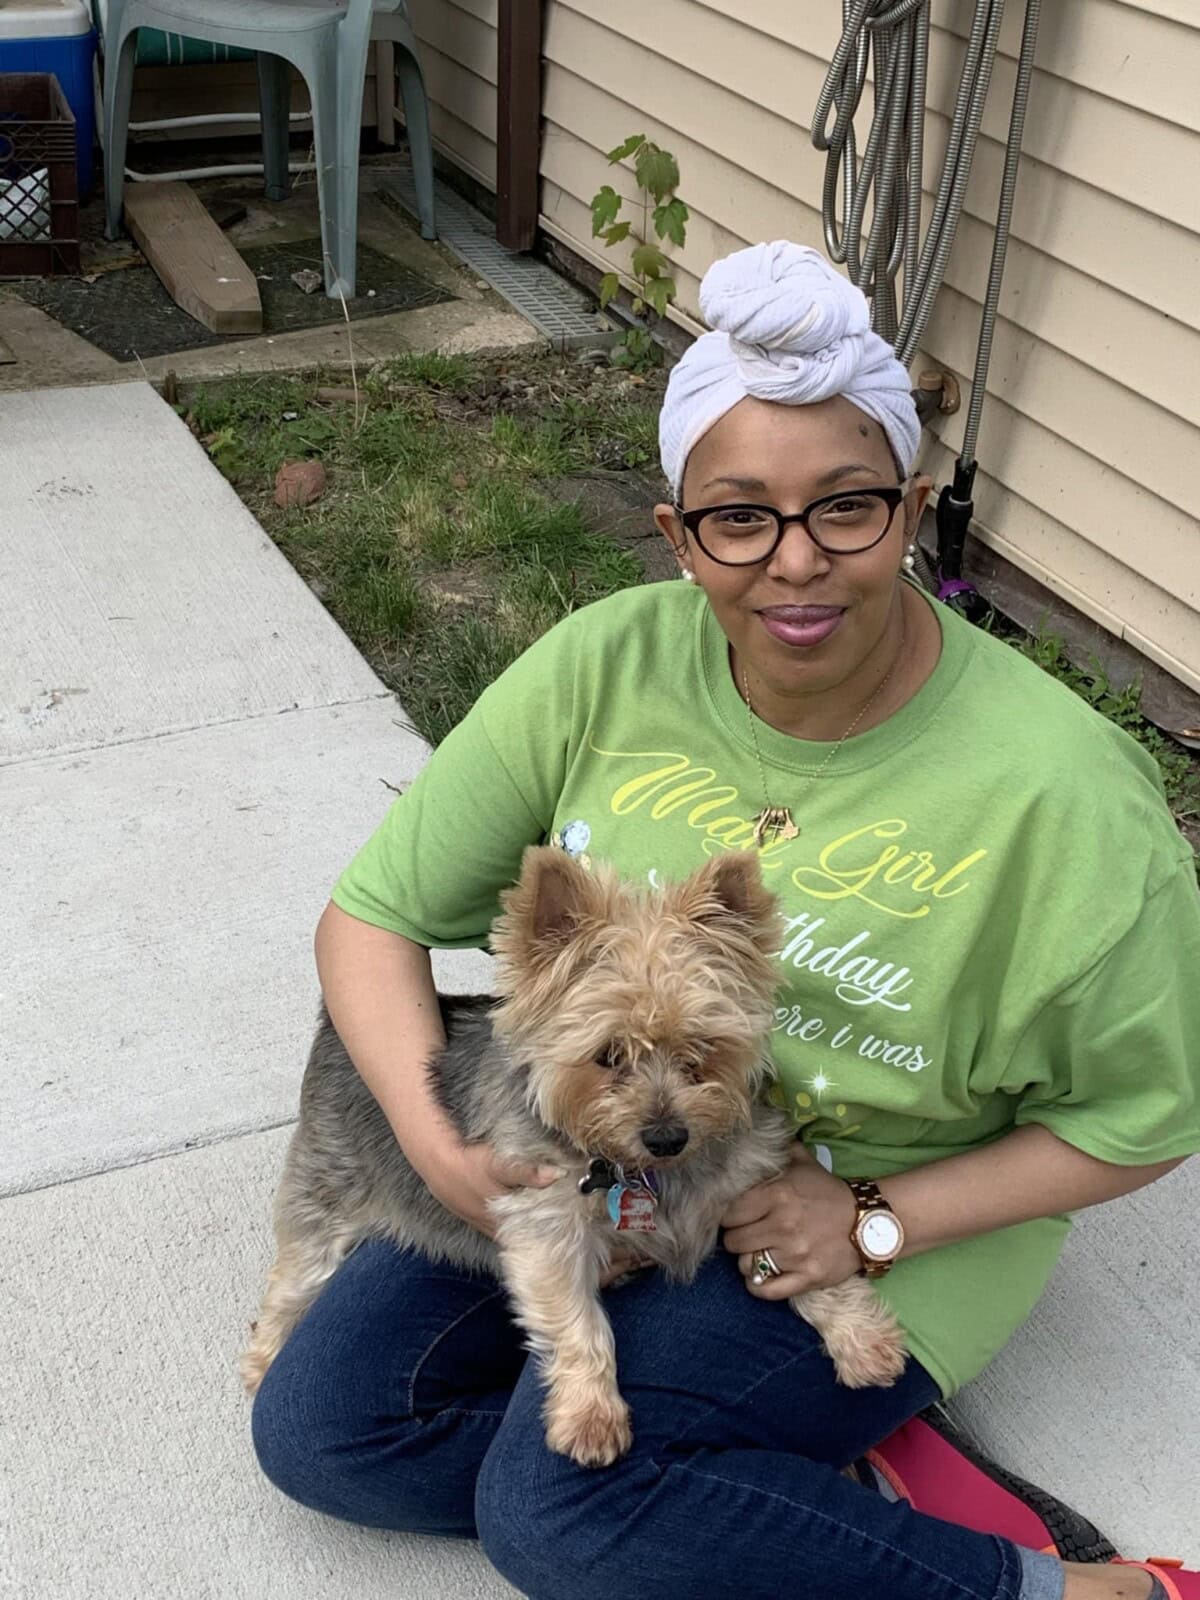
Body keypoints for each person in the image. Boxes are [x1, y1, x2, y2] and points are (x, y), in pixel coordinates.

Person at [249, 242, 1200, 1600]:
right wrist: (436, 1143)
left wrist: (875, 1220)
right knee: (323, 1433)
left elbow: (1145, 1120)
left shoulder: (1068, 801)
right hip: (589, 1170)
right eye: (740, 517)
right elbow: (370, 918)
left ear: (912, 508)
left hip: (872, 1213)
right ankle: (756, 1493)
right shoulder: (606, 664)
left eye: (847, 508)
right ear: (679, 530)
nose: (795, 563)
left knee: (555, 1517)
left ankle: (1067, 1591)